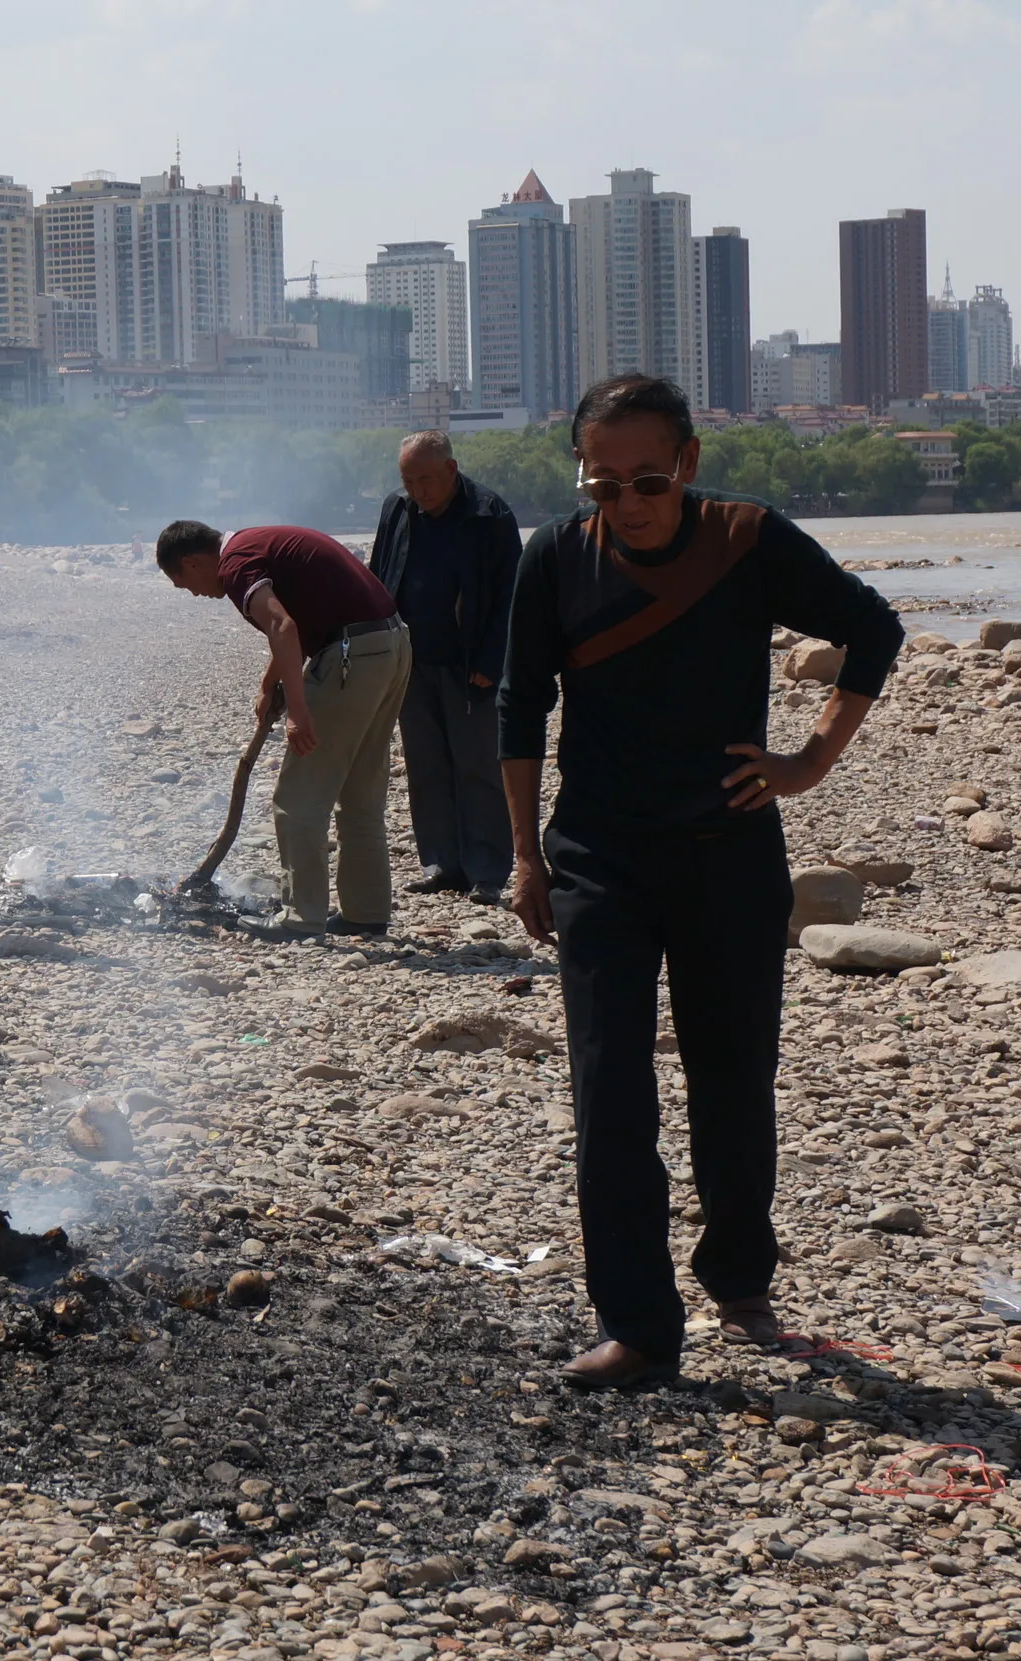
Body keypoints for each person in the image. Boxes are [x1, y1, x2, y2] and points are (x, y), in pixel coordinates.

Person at [498, 375, 904, 1391]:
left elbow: (873, 628)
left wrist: (807, 762)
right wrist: (524, 855)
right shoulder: (552, 559)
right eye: (602, 485)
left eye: (645, 479)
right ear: (579, 477)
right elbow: (517, 711)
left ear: (685, 463)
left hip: (727, 852)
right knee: (609, 1091)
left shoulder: (747, 540)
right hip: (596, 859)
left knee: (731, 1076)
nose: (626, 503)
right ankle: (636, 1323)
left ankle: (736, 1270)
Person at [157, 521, 411, 936]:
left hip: (352, 657)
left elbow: (283, 627)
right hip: (391, 646)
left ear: (192, 562)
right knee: (360, 793)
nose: (194, 593)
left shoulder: (235, 566)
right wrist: (268, 682)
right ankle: (366, 913)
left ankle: (301, 917)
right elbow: (293, 625)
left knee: (298, 798)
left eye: (183, 582)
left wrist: (298, 709)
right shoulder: (254, 543)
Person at [368, 431, 522, 906]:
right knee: (426, 766)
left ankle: (488, 870)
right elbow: (378, 576)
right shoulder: (397, 509)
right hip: (410, 661)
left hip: (468, 663)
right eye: (409, 480)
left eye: (427, 480)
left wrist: (492, 660)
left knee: (478, 766)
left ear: (452, 470)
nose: (419, 490)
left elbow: (511, 596)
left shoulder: (488, 514)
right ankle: (441, 864)